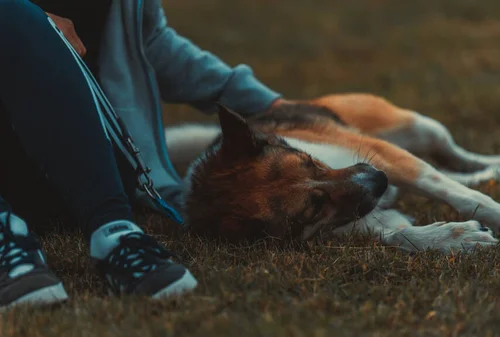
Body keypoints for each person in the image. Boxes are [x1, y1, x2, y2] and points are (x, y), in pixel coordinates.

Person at [0, 0, 287, 308]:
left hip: (91, 165)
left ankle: (114, 233)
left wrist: (268, 104)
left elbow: (147, 39)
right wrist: (27, 30)